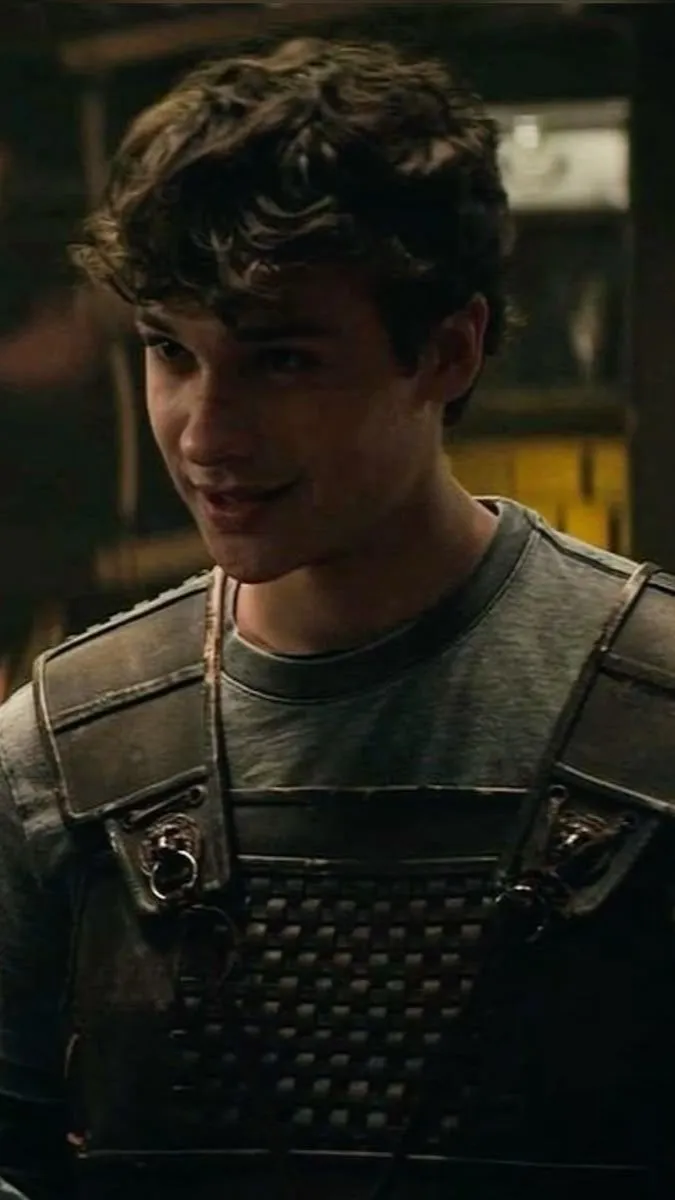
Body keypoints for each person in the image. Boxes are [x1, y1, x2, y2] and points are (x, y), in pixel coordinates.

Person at [0, 34, 674, 1200]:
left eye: (283, 360)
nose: (205, 432)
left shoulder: (655, 711)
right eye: (171, 351)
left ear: (448, 350)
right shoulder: (59, 754)